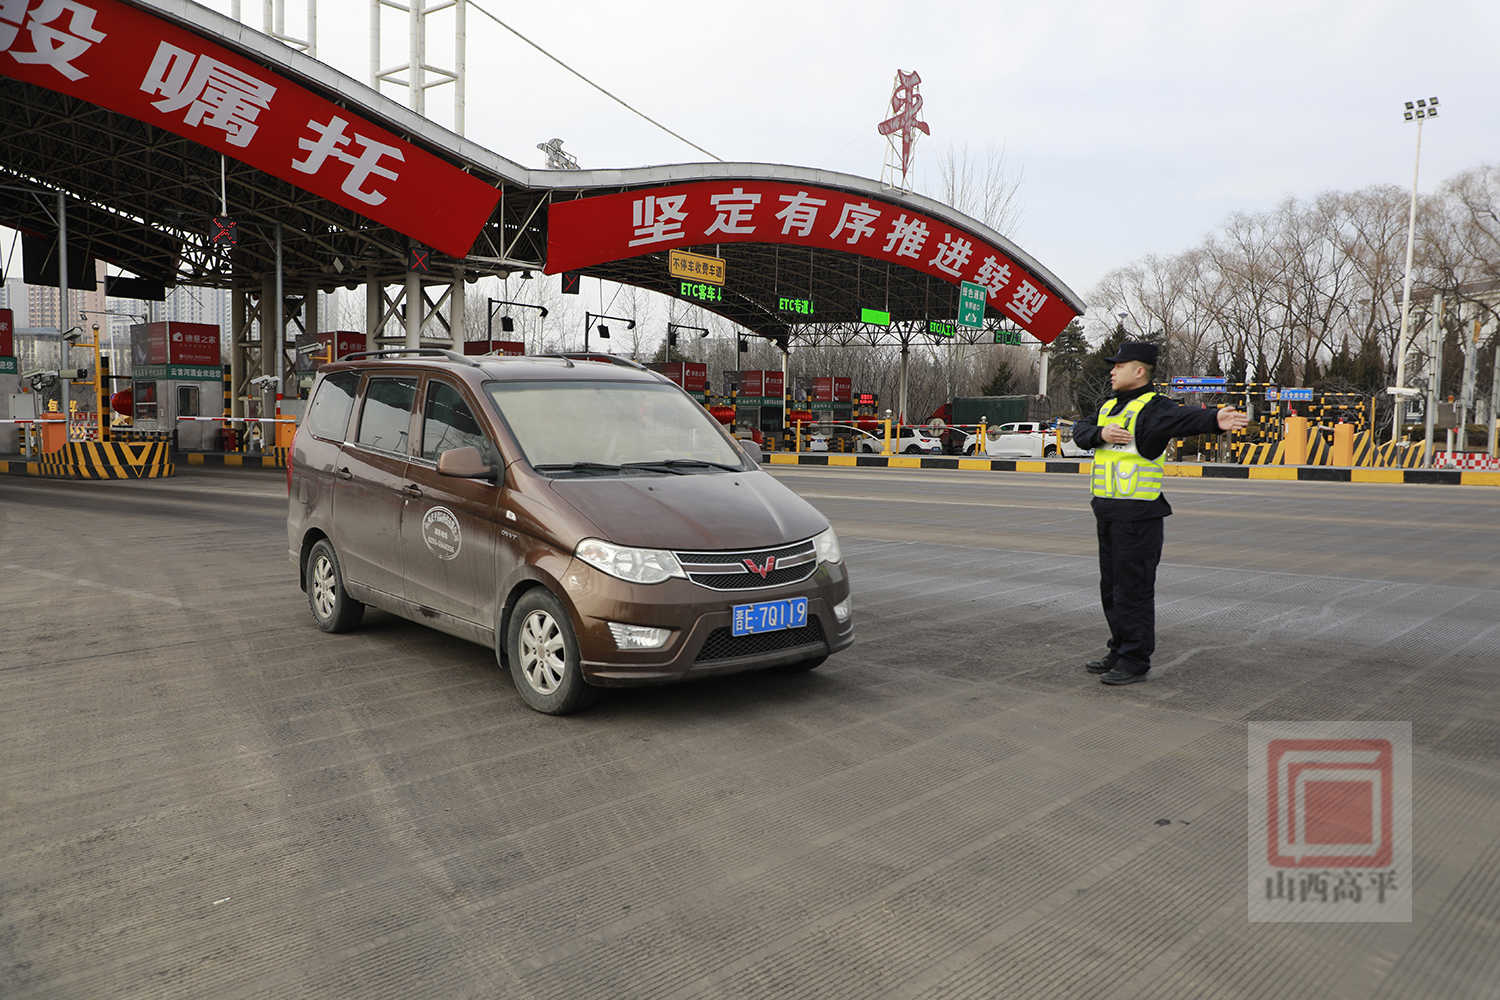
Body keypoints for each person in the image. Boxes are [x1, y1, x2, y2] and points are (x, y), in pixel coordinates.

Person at [1070, 342, 1250, 685]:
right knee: (1111, 587)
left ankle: (1134, 660)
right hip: (1107, 512)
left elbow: (1183, 417)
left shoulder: (1153, 409)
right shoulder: (1109, 406)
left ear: (1139, 371)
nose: (1111, 371)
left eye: (1118, 366)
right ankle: (1119, 647)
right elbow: (1080, 431)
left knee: (1132, 590)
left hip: (1138, 516)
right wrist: (1100, 433)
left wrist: (1214, 418)